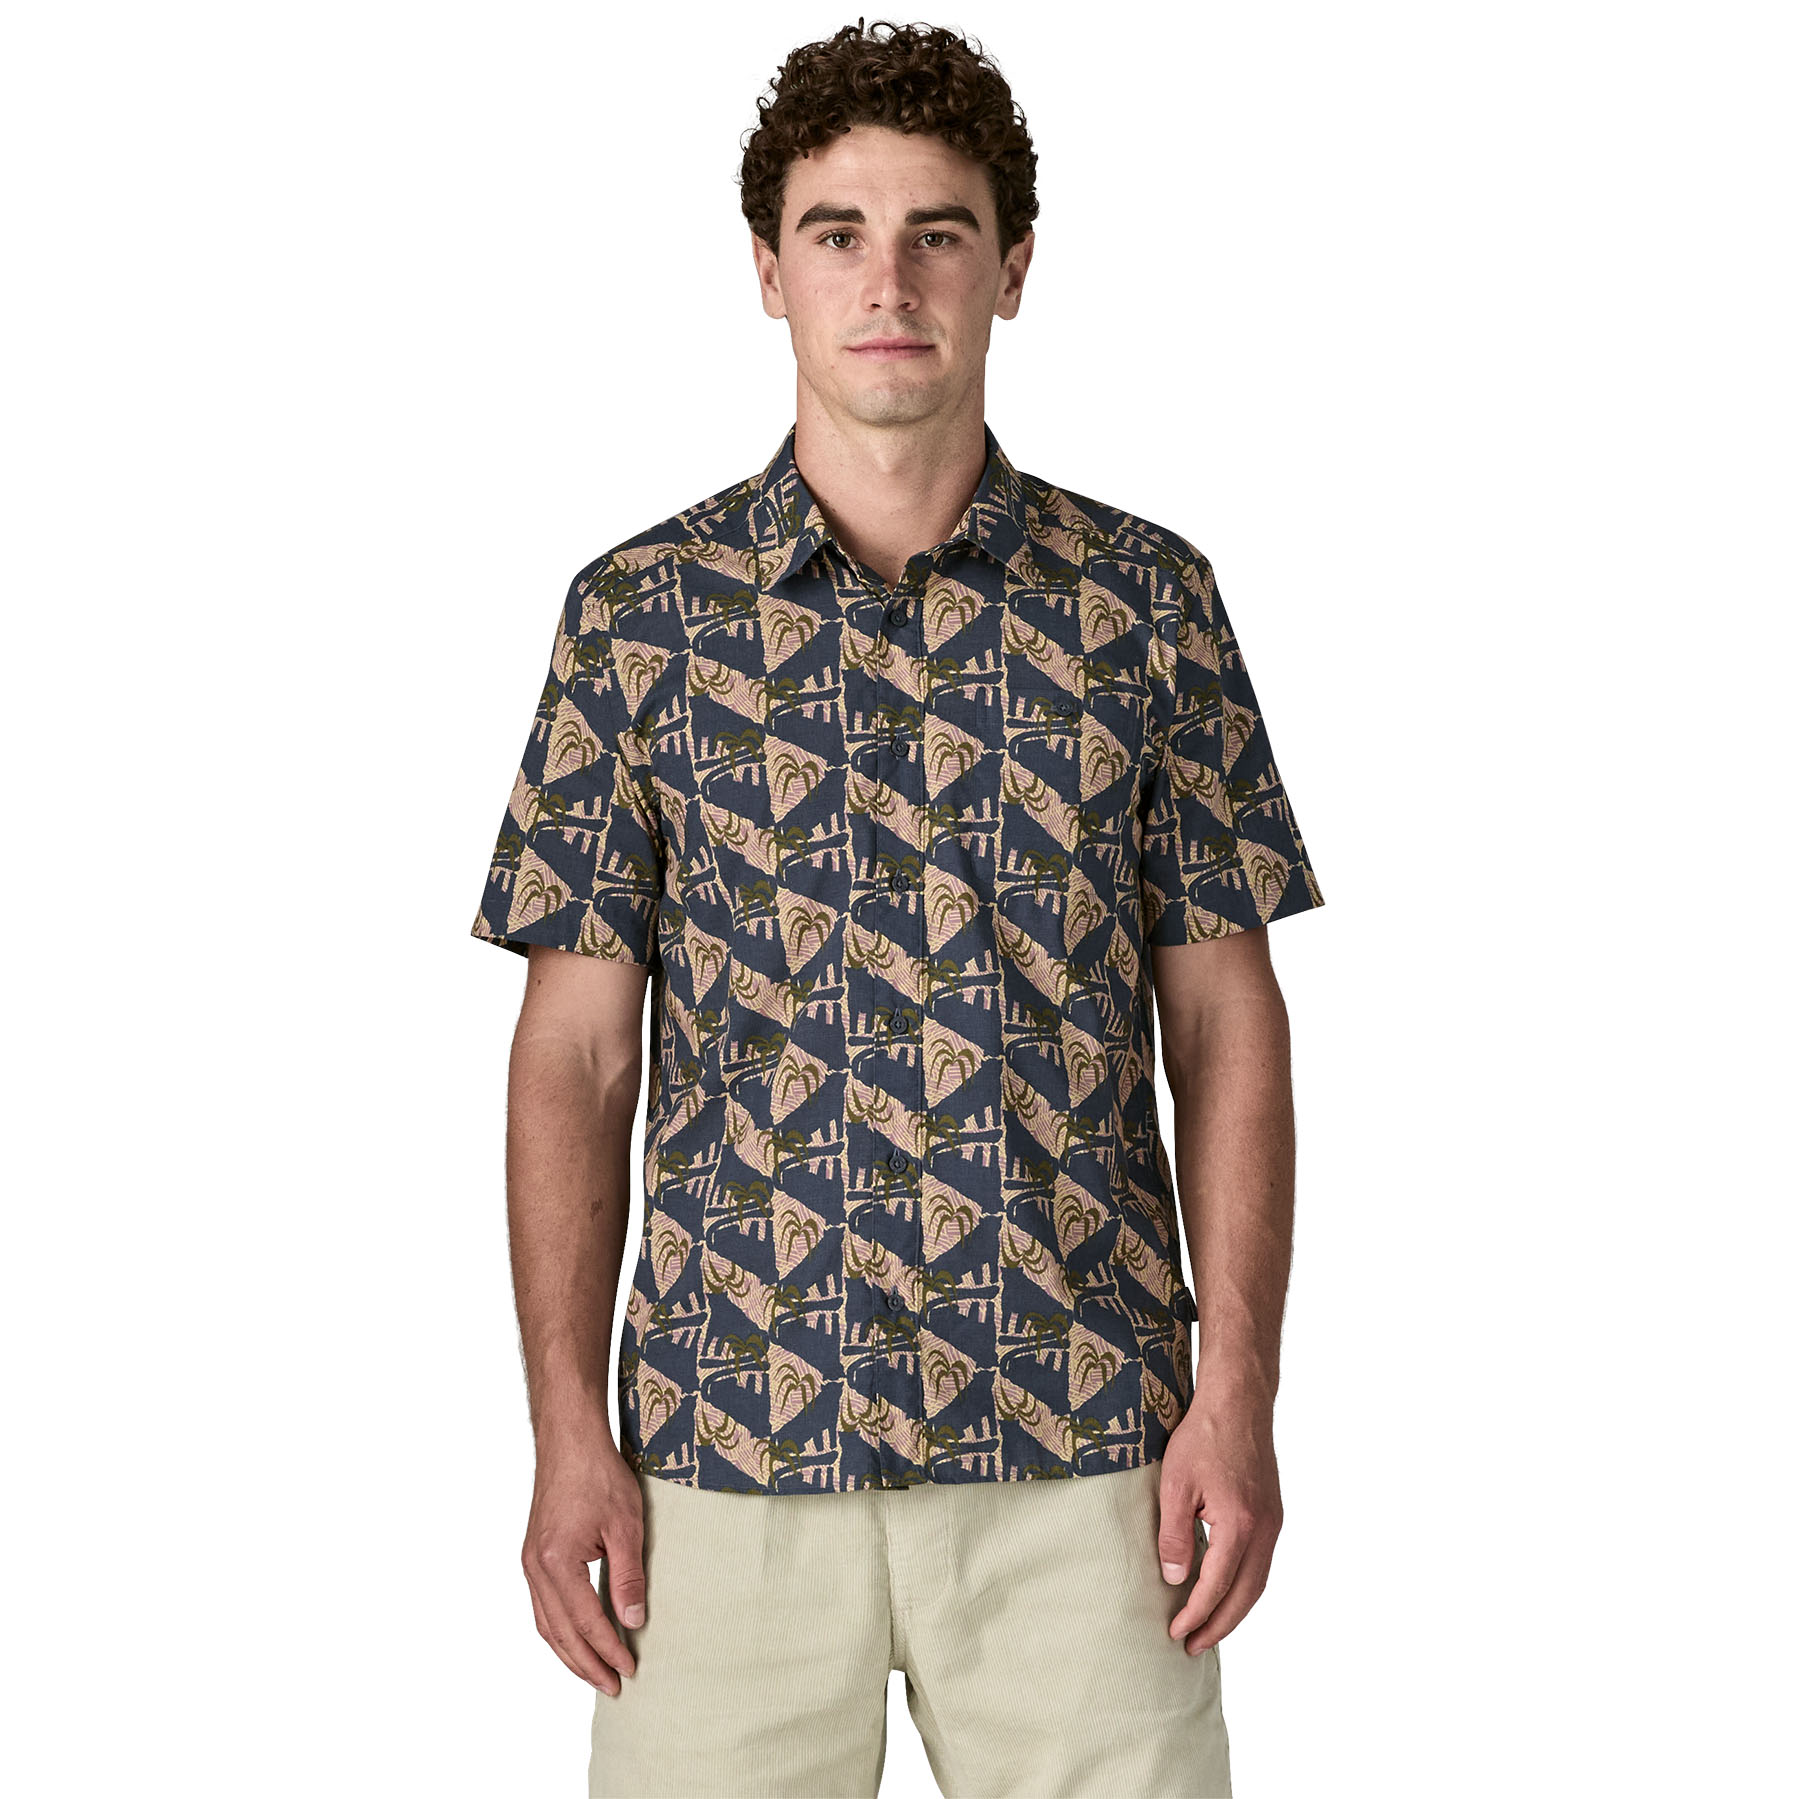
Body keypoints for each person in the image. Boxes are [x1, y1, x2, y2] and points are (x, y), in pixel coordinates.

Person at [470, 20, 1324, 1797]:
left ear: (1013, 266)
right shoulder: (640, 621)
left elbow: (1225, 1021)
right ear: (766, 268)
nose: (888, 281)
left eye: (939, 232)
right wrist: (565, 1434)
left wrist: (1236, 1391)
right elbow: (575, 1062)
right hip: (723, 1463)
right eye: (837, 232)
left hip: (1087, 1457)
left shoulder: (1145, 605)